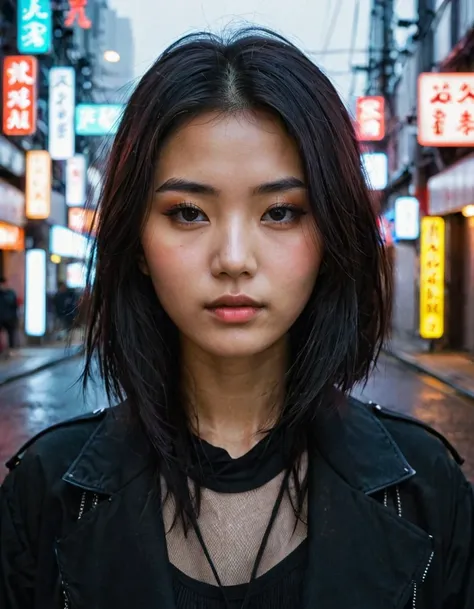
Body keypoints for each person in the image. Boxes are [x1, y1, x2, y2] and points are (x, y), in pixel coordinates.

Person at [0, 29, 472, 609]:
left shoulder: (425, 488)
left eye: (279, 212)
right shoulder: (45, 491)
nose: (232, 259)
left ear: (330, 234)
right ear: (138, 243)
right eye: (188, 213)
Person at [0, 277, 18, 357]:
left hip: (10, 318)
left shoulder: (10, 293)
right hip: (1, 317)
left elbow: (13, 303)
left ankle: (11, 350)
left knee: (11, 334)